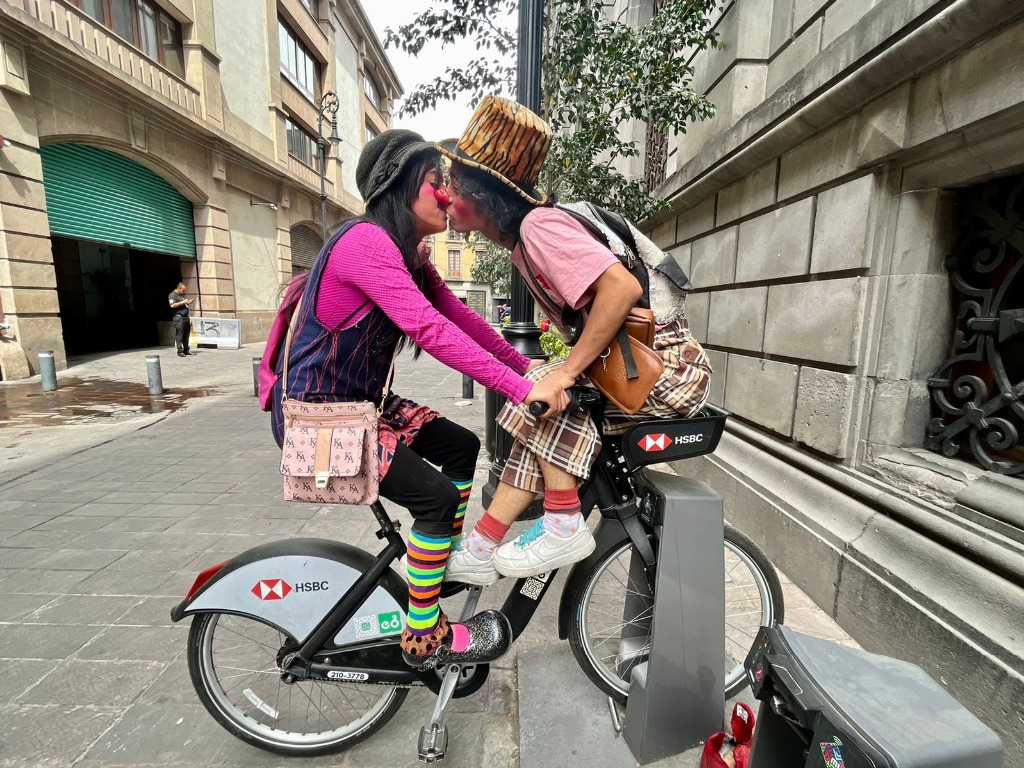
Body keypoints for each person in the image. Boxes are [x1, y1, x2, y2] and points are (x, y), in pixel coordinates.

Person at [262, 129, 565, 669]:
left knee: (461, 446)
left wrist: (527, 365)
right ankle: (424, 639)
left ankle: (437, 562)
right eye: (435, 182)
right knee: (435, 499)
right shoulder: (365, 243)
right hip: (319, 421)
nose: (447, 195)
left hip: (362, 406)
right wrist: (522, 390)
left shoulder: (410, 256)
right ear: (400, 186)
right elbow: (428, 329)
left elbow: (461, 319)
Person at [439, 96, 713, 583]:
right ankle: (483, 545)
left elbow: (620, 289)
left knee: (548, 391)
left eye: (455, 185)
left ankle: (563, 522)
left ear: (484, 196)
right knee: (538, 401)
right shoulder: (526, 237)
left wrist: (564, 372)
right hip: (641, 367)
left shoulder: (539, 226)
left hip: (665, 372)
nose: (445, 195)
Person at [168, 282, 193, 357]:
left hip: (185, 317)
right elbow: (172, 305)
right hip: (179, 317)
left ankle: (186, 349)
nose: (184, 292)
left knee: (186, 334)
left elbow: (184, 305)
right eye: (183, 290)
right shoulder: (172, 295)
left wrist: (187, 303)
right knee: (180, 334)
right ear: (179, 288)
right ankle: (180, 350)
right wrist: (183, 302)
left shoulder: (181, 295)